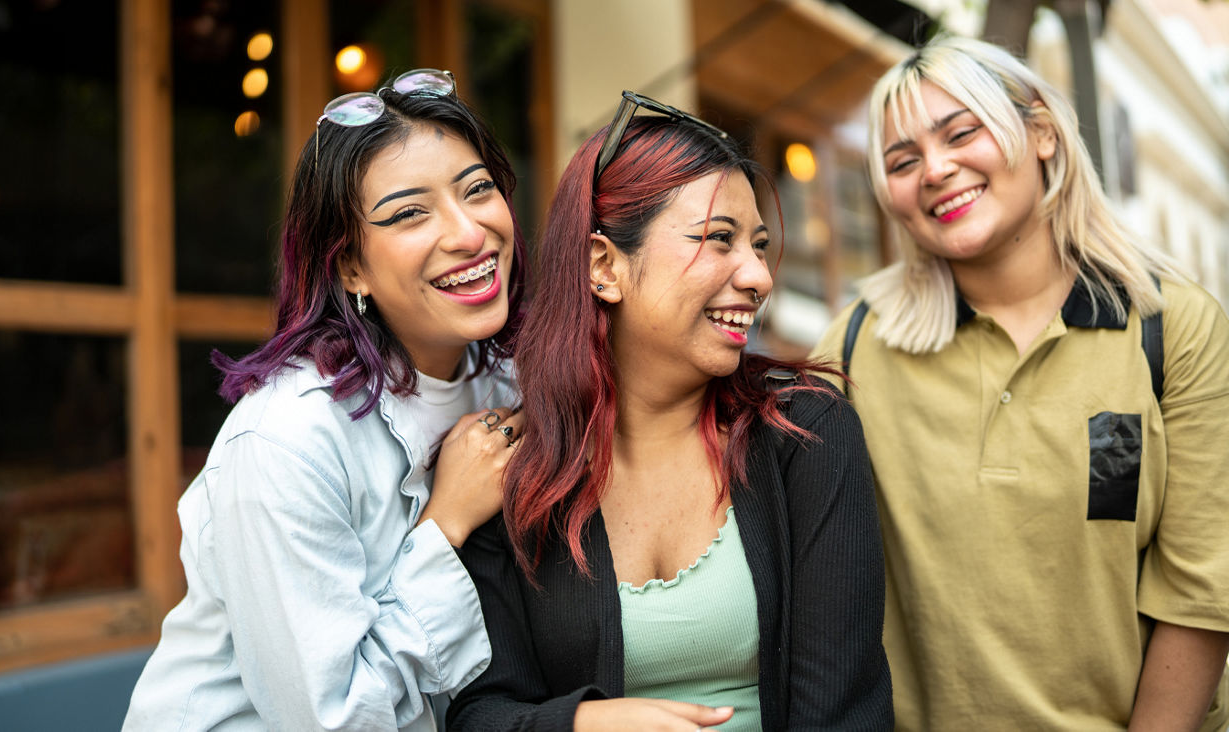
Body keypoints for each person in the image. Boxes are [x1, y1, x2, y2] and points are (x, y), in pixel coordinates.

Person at [810, 35, 1229, 730]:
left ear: (1039, 132)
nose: (936, 170)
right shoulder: (855, 347)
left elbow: (1202, 589)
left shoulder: (1174, 329)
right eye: (903, 161)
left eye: (961, 133)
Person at [447, 91, 892, 732]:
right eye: (718, 240)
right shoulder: (516, 472)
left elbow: (845, 713)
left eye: (759, 245)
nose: (759, 276)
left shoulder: (805, 433)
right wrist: (582, 725)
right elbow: (476, 714)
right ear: (605, 266)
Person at [123, 68, 528, 731]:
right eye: (409, 213)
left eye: (477, 189)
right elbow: (334, 720)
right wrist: (446, 524)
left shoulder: (508, 383)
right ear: (350, 267)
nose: (467, 232)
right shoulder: (286, 440)